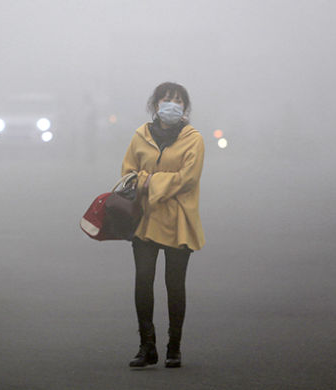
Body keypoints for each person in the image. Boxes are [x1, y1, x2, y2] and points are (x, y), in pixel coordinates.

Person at [121, 82, 205, 368]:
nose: (172, 104)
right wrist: (153, 180)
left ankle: (174, 347)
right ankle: (147, 346)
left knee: (174, 285)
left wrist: (150, 180)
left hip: (179, 221)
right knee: (143, 281)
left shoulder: (194, 139)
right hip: (144, 220)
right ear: (155, 104)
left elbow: (189, 178)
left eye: (178, 100)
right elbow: (128, 174)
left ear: (185, 107)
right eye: (167, 99)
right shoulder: (139, 136)